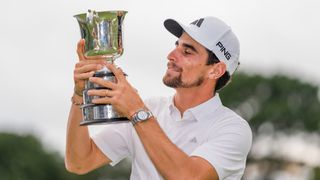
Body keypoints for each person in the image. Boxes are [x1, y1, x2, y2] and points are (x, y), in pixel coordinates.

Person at [65, 16, 252, 180]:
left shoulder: (233, 128)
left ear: (216, 70)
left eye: (187, 52)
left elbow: (189, 177)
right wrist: (80, 94)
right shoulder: (150, 108)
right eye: (176, 46)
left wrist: (136, 111)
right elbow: (80, 162)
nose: (171, 56)